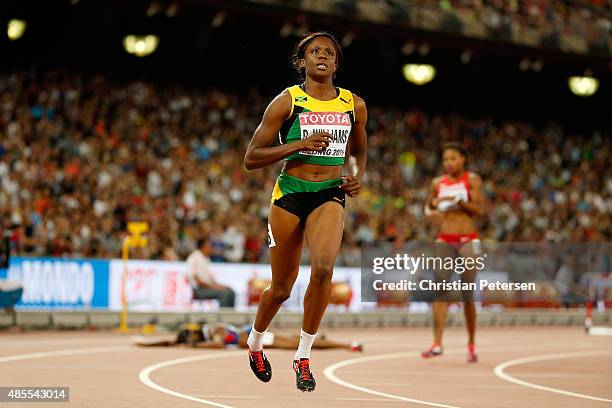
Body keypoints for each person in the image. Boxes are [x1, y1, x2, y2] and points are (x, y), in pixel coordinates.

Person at [243, 31, 367, 392]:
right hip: (290, 194)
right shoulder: (287, 102)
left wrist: (356, 177)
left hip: (329, 194)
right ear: (303, 62)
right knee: (281, 287)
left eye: (329, 52)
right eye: (314, 51)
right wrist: (298, 144)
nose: (322, 56)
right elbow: (251, 158)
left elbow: (358, 150)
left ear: (336, 63)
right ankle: (254, 341)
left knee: (325, 269)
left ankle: (303, 355)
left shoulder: (353, 105)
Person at [422, 142, 485, 363]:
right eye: (446, 159)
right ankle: (437, 343)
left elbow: (480, 210)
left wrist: (458, 201)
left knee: (467, 294)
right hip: (445, 239)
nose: (449, 163)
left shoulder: (472, 180)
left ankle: (471, 344)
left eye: (453, 158)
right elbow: (428, 207)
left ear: (463, 160)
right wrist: (431, 209)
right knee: (439, 292)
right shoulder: (437, 183)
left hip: (469, 239)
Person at [132, 321, 364, 353]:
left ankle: (346, 345)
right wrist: (145, 343)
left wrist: (196, 348)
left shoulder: (214, 329)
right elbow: (171, 341)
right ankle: (331, 340)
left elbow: (220, 343)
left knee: (301, 344)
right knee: (299, 340)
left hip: (262, 338)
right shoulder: (195, 336)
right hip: (260, 339)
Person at [185, 237, 235, 308]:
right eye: (209, 246)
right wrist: (214, 287)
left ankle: (230, 317)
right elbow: (197, 281)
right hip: (198, 290)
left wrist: (220, 286)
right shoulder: (194, 258)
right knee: (224, 293)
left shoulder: (206, 259)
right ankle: (223, 317)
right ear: (203, 247)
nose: (211, 248)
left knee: (230, 291)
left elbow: (210, 279)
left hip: (207, 287)